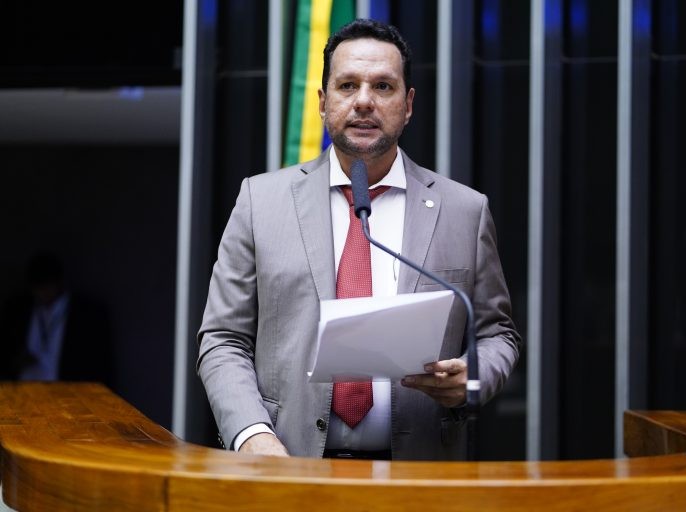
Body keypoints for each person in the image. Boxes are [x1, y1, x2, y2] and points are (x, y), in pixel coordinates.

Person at [197, 19, 519, 461]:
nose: (364, 101)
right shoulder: (261, 202)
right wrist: (253, 436)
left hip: (421, 471)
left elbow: (497, 334)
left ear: (408, 105)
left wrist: (473, 376)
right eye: (347, 85)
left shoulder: (464, 210)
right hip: (288, 467)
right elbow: (223, 338)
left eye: (383, 87)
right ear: (322, 101)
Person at [0, 251, 112, 384]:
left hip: (66, 390)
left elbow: (99, 362)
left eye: (47, 287)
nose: (43, 293)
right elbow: (7, 350)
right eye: (39, 288)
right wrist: (15, 361)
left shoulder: (86, 313)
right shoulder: (19, 309)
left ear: (60, 282)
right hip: (25, 388)